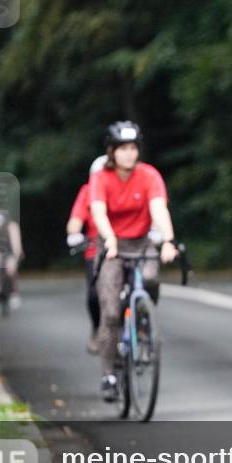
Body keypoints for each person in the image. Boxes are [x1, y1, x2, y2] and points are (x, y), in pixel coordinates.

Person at [89, 121, 178, 402]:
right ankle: (109, 374)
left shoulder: (149, 175)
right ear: (111, 152)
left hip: (142, 241)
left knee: (151, 278)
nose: (129, 154)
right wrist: (110, 239)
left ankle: (142, 315)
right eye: (122, 149)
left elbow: (158, 208)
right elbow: (98, 211)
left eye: (133, 148)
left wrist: (168, 240)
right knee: (111, 312)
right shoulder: (101, 178)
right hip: (112, 244)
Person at [66, 155, 108, 353]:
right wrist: (75, 233)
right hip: (96, 249)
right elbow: (75, 220)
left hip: (125, 246)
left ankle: (141, 324)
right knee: (94, 295)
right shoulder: (87, 192)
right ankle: (97, 328)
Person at [0, 204, 24, 310]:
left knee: (11, 268)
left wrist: (16, 256)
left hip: (10, 252)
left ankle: (14, 293)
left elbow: (16, 244)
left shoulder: (12, 227)